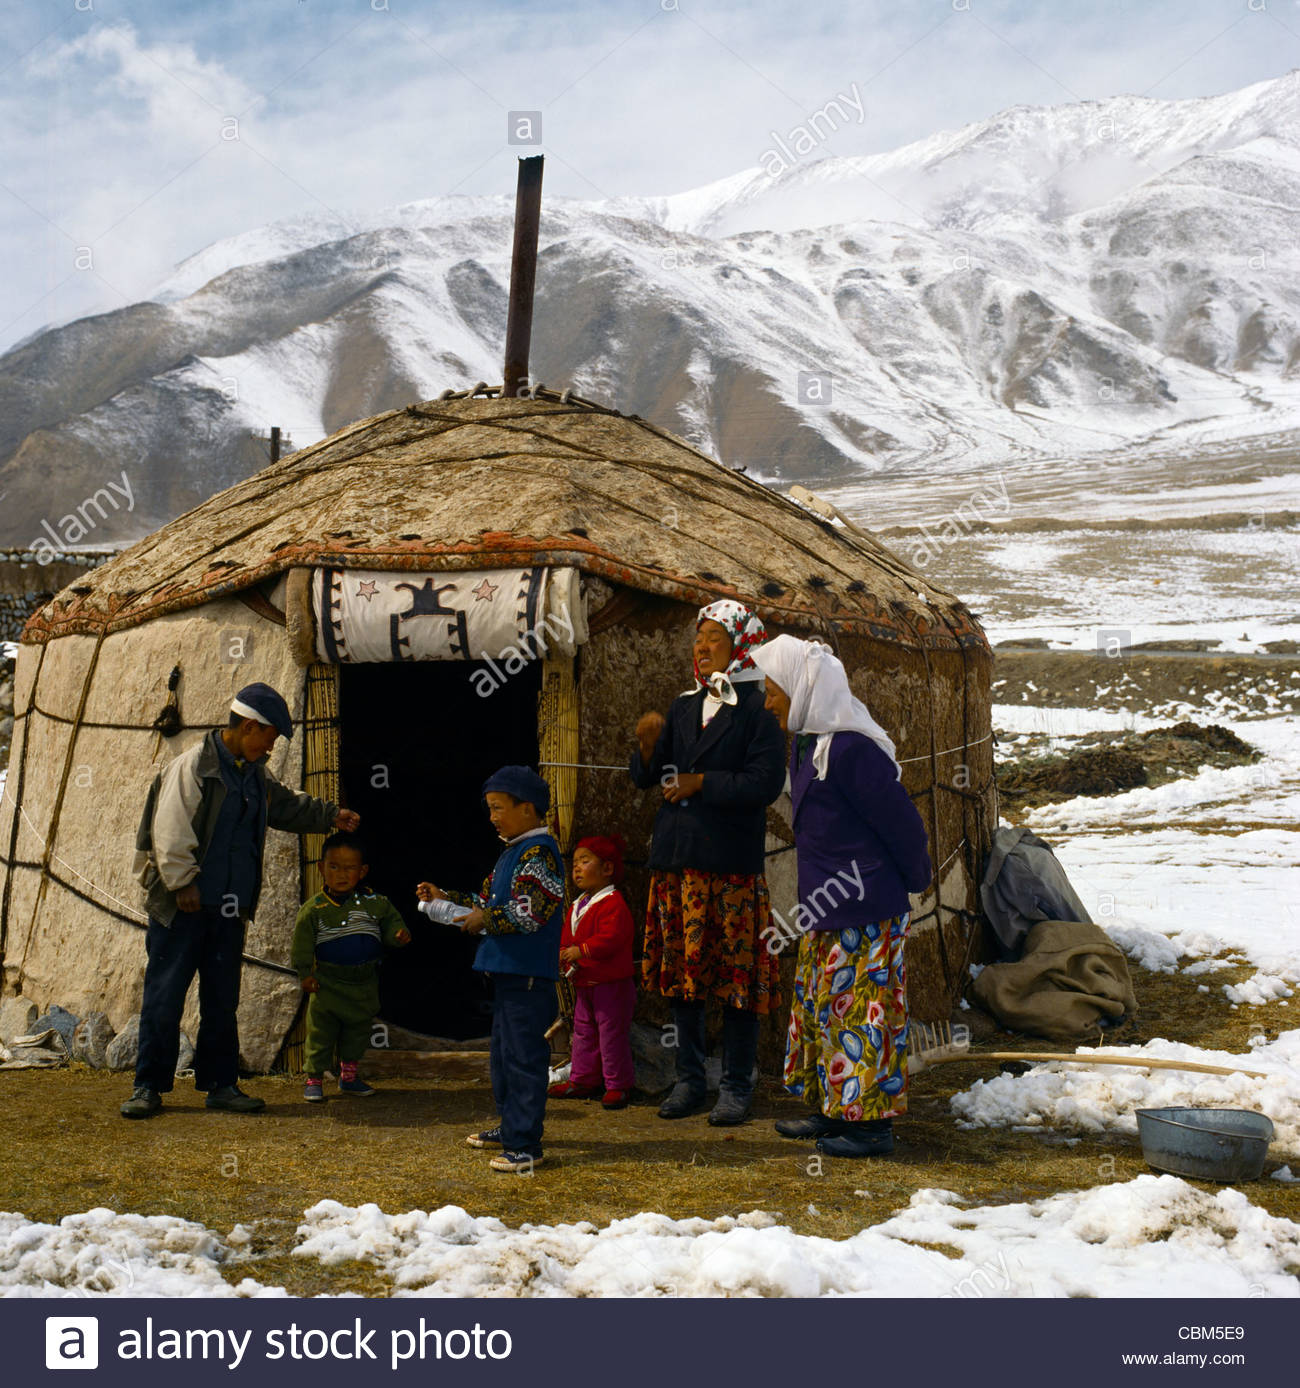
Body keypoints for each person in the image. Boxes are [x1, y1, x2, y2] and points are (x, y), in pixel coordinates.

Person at [124, 682, 358, 1119]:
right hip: (182, 907)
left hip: (228, 907)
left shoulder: (252, 771)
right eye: (269, 737)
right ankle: (148, 1087)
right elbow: (170, 830)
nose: (271, 747)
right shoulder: (194, 766)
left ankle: (220, 1084)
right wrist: (181, 884)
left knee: (221, 999)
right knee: (165, 996)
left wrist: (329, 816)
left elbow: (284, 805)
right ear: (250, 726)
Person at [751, 635, 931, 1158]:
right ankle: (834, 1110)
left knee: (864, 1015)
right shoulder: (810, 743)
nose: (769, 701)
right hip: (827, 907)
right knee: (827, 1011)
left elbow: (903, 825)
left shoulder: (852, 750)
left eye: (773, 690)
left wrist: (911, 881)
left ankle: (871, 1127)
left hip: (867, 907)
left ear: (802, 687)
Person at [631, 600, 786, 1125]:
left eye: (713, 638)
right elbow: (649, 777)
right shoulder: (682, 706)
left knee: (737, 983)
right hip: (678, 862)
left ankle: (737, 1086)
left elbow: (763, 785)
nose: (700, 648)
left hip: (730, 868)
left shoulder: (759, 711)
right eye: (697, 639)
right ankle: (689, 1080)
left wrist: (703, 783)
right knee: (684, 980)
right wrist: (650, 749)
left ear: (741, 645)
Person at [416, 766, 564, 1173]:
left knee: (523, 1058)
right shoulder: (510, 854)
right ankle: (510, 1126)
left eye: (499, 808)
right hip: (508, 976)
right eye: (490, 809)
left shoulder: (540, 855)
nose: (492, 816)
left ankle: (526, 1145)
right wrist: (446, 898)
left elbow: (531, 912)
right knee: (502, 1057)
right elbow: (484, 901)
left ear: (528, 809)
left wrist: (486, 919)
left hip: (529, 975)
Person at [292, 831, 410, 1102]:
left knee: (357, 1032)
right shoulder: (315, 909)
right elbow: (301, 945)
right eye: (333, 867)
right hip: (328, 984)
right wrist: (305, 974)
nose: (340, 874)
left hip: (363, 984)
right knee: (321, 1033)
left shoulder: (375, 903)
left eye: (349, 868)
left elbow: (392, 924)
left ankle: (349, 1078)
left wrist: (399, 935)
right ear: (321, 868)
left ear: (363, 871)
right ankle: (314, 1079)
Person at [548, 834, 636, 1110]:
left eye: (584, 861)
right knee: (584, 1031)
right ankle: (584, 1079)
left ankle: (617, 1085)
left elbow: (612, 938)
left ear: (607, 868)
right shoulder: (577, 905)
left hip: (611, 985)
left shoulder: (612, 902)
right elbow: (567, 937)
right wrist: (564, 955)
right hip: (585, 983)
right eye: (574, 862)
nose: (576, 868)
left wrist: (581, 950)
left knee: (611, 1034)